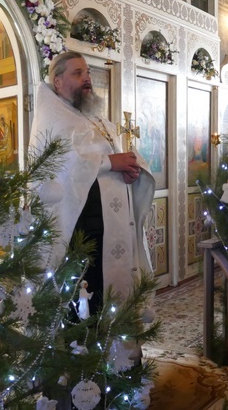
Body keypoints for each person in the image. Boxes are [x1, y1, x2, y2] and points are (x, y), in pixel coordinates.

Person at [29, 51, 156, 317]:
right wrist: (110, 163)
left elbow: (119, 154)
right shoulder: (53, 119)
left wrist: (131, 169)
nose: (87, 78)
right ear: (57, 81)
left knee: (109, 299)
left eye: (87, 72)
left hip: (110, 226)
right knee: (85, 300)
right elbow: (63, 168)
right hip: (80, 231)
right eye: (78, 73)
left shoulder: (96, 120)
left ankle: (114, 341)